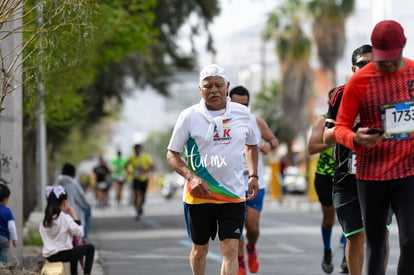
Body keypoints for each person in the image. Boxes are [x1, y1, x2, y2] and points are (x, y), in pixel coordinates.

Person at [334, 20, 414, 275]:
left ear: (403, 47)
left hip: (408, 171)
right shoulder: (360, 81)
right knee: (376, 246)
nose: (387, 64)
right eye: (381, 58)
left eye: (392, 58)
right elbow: (340, 128)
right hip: (372, 175)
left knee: (411, 242)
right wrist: (355, 139)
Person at [166, 64, 259, 275]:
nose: (214, 90)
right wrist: (192, 178)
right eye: (208, 86)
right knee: (200, 250)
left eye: (219, 85)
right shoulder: (189, 116)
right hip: (199, 196)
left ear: (227, 86)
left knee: (231, 249)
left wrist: (253, 174)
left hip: (233, 194)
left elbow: (251, 145)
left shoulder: (242, 113)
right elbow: (172, 154)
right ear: (200, 89)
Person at [325, 44, 393, 275]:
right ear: (354, 68)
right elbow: (326, 136)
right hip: (347, 176)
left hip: (382, 174)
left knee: (380, 234)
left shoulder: (391, 92)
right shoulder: (340, 94)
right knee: (354, 236)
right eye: (363, 64)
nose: (368, 68)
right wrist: (349, 127)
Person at [229, 85, 279, 275]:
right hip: (231, 184)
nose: (242, 107)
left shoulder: (256, 122)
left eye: (245, 104)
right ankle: (240, 261)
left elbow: (275, 141)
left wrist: (269, 145)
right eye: (237, 104)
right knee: (236, 227)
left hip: (255, 182)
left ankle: (251, 247)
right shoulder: (222, 122)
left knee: (252, 226)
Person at [307, 89, 339, 274]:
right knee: (329, 219)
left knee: (350, 219)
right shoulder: (323, 120)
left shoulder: (354, 117)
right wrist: (333, 141)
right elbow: (311, 148)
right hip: (325, 175)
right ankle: (327, 251)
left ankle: (346, 256)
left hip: (347, 174)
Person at [39, 186, 95, 275]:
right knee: (90, 248)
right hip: (63, 254)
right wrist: (74, 216)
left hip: (49, 256)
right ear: (65, 202)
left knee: (74, 249)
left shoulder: (44, 221)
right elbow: (80, 233)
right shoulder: (64, 218)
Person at [57, 163, 92, 242]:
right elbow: (82, 200)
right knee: (87, 211)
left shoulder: (57, 183)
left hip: (57, 212)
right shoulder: (73, 183)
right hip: (72, 213)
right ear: (73, 173)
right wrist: (88, 206)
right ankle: (83, 236)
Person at [125, 144, 154, 220]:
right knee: (136, 195)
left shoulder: (146, 156)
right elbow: (125, 165)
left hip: (144, 179)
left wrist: (145, 170)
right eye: (135, 149)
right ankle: (137, 211)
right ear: (134, 150)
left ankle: (140, 207)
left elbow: (152, 166)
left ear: (141, 149)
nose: (137, 151)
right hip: (136, 179)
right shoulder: (132, 157)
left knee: (143, 197)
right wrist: (129, 172)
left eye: (138, 149)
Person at [0, 184, 17, 265]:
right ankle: (2, 269)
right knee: (3, 256)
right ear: (5, 200)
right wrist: (14, 239)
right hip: (4, 239)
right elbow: (11, 227)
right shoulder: (8, 211)